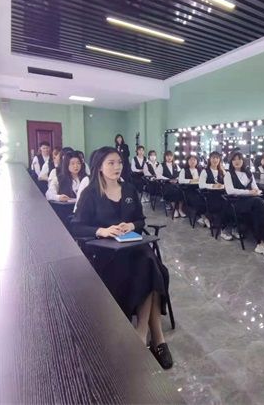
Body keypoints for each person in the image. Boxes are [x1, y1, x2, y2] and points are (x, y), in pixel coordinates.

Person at [72, 147, 173, 369]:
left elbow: (140, 220)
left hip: (132, 246)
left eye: (119, 162)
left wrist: (131, 225)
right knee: (150, 266)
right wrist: (102, 230)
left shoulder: (128, 189)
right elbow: (77, 226)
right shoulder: (90, 193)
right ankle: (156, 337)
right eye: (111, 163)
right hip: (107, 253)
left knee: (147, 261)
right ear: (100, 166)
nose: (117, 167)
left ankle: (142, 332)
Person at [224, 151, 264, 257]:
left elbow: (255, 188)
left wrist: (256, 191)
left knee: (257, 212)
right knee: (257, 201)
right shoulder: (228, 174)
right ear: (231, 162)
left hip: (250, 202)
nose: (237, 161)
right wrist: (249, 192)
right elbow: (230, 191)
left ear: (243, 160)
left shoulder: (249, 173)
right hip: (236, 204)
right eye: (234, 159)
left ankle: (260, 243)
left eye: (239, 159)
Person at [199, 151, 233, 240]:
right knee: (225, 205)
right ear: (209, 159)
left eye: (217, 158)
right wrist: (213, 186)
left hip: (222, 195)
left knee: (232, 204)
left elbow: (228, 183)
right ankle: (223, 230)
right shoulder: (205, 171)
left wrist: (224, 185)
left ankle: (233, 228)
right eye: (213, 158)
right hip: (211, 197)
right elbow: (201, 185)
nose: (215, 160)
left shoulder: (222, 171)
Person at [178, 155, 207, 226]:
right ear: (187, 161)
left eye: (194, 160)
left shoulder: (200, 170)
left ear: (197, 161)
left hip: (200, 190)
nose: (192, 161)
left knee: (207, 199)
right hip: (189, 190)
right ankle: (203, 217)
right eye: (190, 160)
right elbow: (180, 180)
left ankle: (205, 217)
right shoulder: (184, 170)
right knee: (198, 201)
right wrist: (191, 180)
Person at [161, 151, 185, 218]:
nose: (169, 157)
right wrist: (168, 179)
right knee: (172, 191)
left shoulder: (176, 165)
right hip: (166, 184)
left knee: (182, 190)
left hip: (176, 183)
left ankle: (180, 209)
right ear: (165, 157)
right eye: (167, 156)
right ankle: (175, 210)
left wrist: (176, 179)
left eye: (171, 156)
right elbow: (159, 175)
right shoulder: (161, 165)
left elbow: (180, 174)